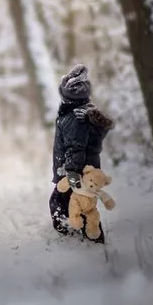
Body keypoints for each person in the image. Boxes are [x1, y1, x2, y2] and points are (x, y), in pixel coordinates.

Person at [50, 63, 114, 243]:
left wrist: (71, 172)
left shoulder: (74, 119)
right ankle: (86, 238)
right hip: (86, 170)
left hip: (76, 173)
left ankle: (75, 239)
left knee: (62, 204)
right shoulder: (84, 112)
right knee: (84, 205)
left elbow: (75, 147)